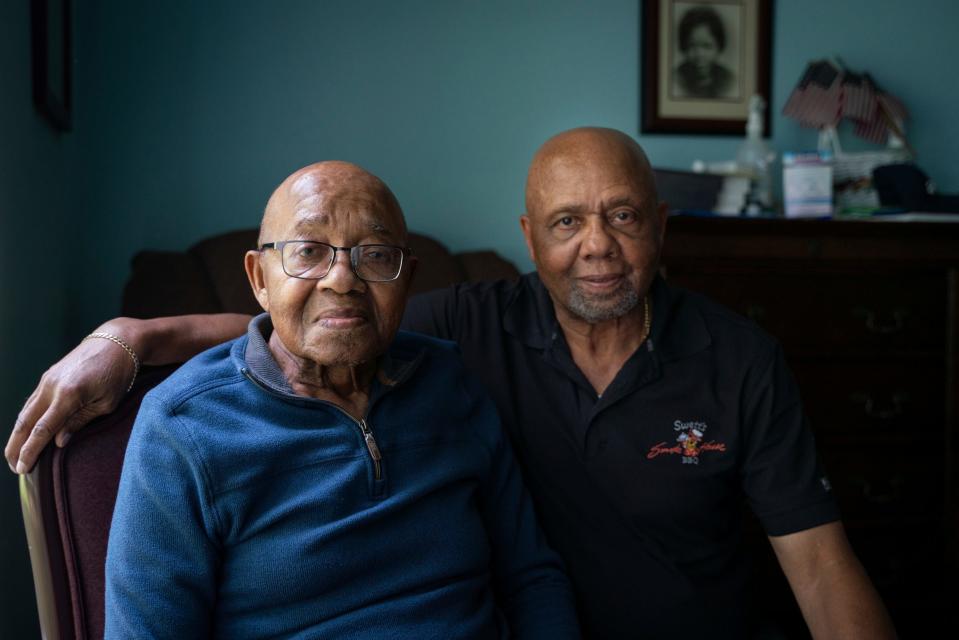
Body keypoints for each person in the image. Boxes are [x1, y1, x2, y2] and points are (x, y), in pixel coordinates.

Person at [7, 129, 897, 639]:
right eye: (566, 222)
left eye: (623, 217)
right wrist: (134, 335)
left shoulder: (446, 373)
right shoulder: (189, 427)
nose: (597, 246)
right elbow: (316, 319)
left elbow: (817, 567)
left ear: (659, 228)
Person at [98, 161, 580, 638]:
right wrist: (122, 337)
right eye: (308, 251)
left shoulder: (451, 382)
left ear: (406, 280)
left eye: (374, 255)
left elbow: (531, 578)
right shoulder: (182, 427)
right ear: (260, 279)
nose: (342, 279)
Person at [672, 5, 737, 99]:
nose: (699, 54)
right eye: (692, 45)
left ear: (719, 47)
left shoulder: (728, 80)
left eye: (707, 46)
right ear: (683, 46)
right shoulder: (676, 78)